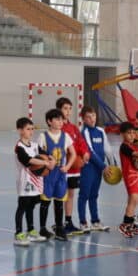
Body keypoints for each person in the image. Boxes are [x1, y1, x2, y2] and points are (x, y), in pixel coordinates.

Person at [37, 108, 77, 241]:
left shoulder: (65, 136)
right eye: (57, 119)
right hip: (48, 173)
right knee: (45, 202)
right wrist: (47, 162)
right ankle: (42, 228)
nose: (61, 122)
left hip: (60, 173)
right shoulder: (43, 136)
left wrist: (68, 166)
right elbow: (38, 154)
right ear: (49, 121)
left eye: (62, 119)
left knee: (59, 202)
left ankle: (59, 228)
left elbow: (73, 153)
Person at [14, 117, 54, 246]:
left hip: (36, 182)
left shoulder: (36, 146)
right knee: (22, 207)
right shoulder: (19, 147)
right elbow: (28, 160)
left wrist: (51, 160)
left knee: (31, 206)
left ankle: (31, 230)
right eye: (28, 129)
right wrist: (45, 162)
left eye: (32, 129)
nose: (31, 132)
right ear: (20, 130)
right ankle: (18, 233)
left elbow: (47, 155)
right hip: (25, 182)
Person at [57, 97, 90, 236]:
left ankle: (68, 221)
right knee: (59, 196)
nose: (68, 111)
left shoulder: (73, 127)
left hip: (74, 169)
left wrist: (85, 153)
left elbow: (81, 143)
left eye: (70, 108)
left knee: (71, 194)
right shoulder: (58, 128)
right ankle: (58, 224)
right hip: (63, 168)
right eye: (65, 108)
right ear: (59, 109)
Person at [79, 107, 114, 232]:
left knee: (94, 195)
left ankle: (95, 221)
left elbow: (107, 149)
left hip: (99, 169)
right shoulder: (85, 132)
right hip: (88, 168)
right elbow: (90, 151)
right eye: (88, 117)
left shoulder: (100, 131)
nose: (92, 119)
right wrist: (103, 166)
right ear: (83, 119)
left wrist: (113, 165)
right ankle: (83, 222)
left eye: (93, 116)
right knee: (84, 195)